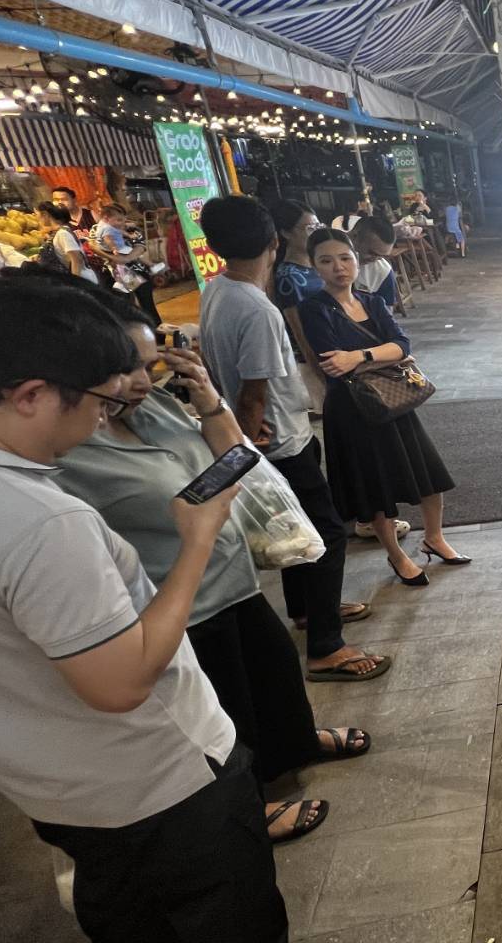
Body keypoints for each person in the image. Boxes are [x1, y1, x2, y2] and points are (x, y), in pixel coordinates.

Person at [0, 277, 288, 941]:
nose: (101, 421)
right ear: (31, 395)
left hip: (47, 787)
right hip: (161, 784)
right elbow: (119, 685)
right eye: (100, 402)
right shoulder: (37, 520)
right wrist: (198, 541)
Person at [50, 286, 374, 842]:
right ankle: (252, 804)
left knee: (274, 671)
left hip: (233, 577)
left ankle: (296, 745)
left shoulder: (154, 406)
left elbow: (236, 456)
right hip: (178, 601)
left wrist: (208, 401)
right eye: (124, 367)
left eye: (147, 363)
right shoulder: (69, 451)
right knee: (226, 705)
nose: (139, 379)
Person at [197, 197, 388, 682]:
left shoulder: (216, 290)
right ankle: (325, 647)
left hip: (272, 434)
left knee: (293, 528)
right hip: (280, 440)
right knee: (327, 534)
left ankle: (306, 609)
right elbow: (255, 391)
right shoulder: (258, 309)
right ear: (274, 242)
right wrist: (246, 439)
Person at [297, 228, 465, 585]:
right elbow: (333, 364)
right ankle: (397, 555)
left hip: (392, 401)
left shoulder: (371, 301)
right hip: (352, 410)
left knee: (428, 474)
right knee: (374, 489)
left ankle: (434, 538)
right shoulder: (313, 309)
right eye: (326, 261)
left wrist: (359, 356)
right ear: (314, 266)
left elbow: (402, 345)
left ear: (356, 260)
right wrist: (383, 356)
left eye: (345, 258)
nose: (338, 268)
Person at [90, 203, 159, 323]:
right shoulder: (97, 228)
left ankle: (156, 331)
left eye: (123, 218)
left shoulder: (131, 228)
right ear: (107, 218)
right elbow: (93, 246)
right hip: (113, 273)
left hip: (137, 271)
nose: (122, 222)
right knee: (124, 307)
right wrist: (114, 257)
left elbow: (140, 246)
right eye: (118, 219)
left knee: (147, 305)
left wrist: (126, 259)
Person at [34, 201, 98, 283]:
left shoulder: (62, 233)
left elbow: (77, 259)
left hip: (84, 280)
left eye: (37, 215)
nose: (37, 218)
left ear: (45, 214)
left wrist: (75, 282)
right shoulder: (59, 232)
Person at [350, 215, 400, 314]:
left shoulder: (383, 271)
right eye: (372, 253)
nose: (375, 259)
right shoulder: (326, 258)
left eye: (381, 256)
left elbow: (386, 313)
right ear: (355, 236)